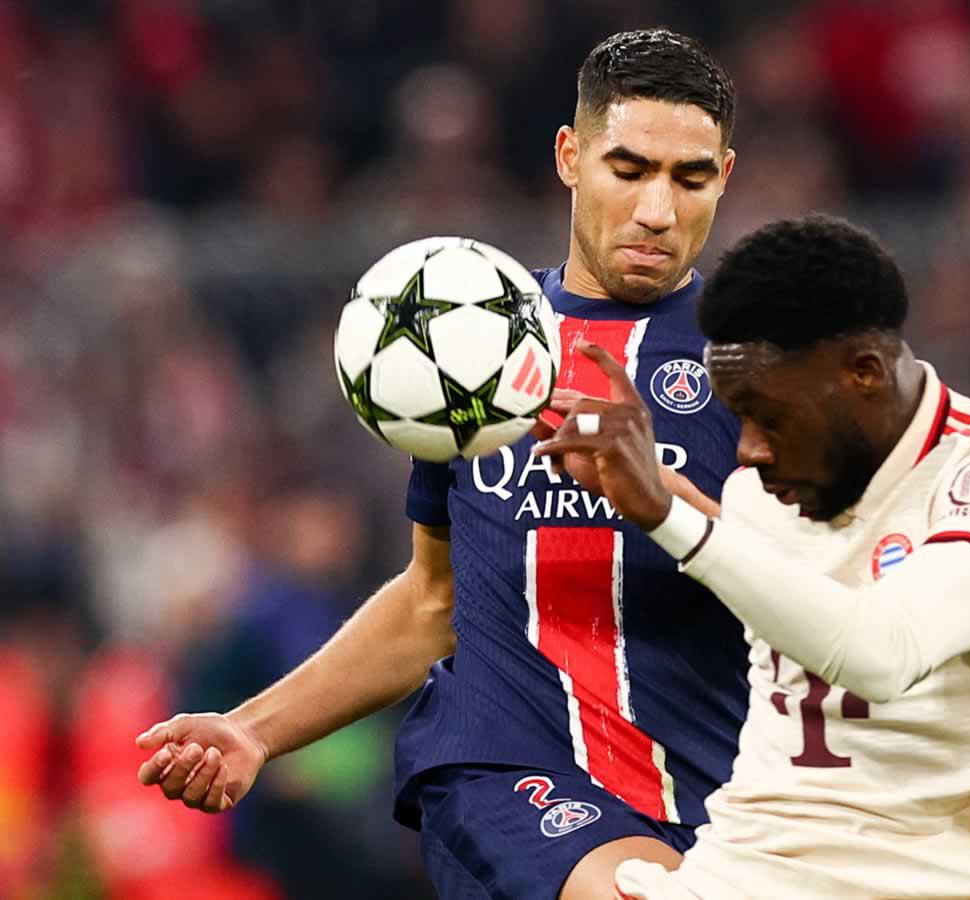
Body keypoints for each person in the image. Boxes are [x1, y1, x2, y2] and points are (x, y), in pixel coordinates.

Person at [136, 28, 752, 900]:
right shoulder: (476, 340)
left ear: (724, 177)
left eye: (689, 179)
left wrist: (668, 505)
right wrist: (253, 730)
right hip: (505, 775)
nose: (658, 208)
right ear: (570, 157)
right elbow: (436, 598)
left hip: (716, 801)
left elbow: (817, 592)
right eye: (630, 169)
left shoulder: (756, 368)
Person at [535, 215, 970, 899]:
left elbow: (882, 652)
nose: (747, 451)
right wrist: (655, 490)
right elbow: (784, 580)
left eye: (770, 417)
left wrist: (668, 511)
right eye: (736, 418)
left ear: (864, 372)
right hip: (744, 872)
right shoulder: (757, 498)